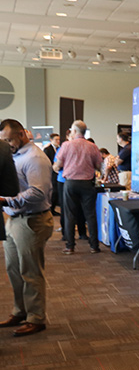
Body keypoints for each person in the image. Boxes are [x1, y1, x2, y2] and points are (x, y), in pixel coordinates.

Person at [0, 118, 54, 336]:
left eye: (9, 139)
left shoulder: (35, 158)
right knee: (14, 270)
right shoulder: (13, 156)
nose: (6, 144)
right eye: (3, 141)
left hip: (32, 220)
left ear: (22, 134)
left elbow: (37, 193)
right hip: (14, 220)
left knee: (31, 272)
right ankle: (20, 311)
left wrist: (6, 200)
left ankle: (36, 318)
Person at [54, 120, 103, 254]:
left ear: (74, 131)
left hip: (70, 183)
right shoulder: (92, 146)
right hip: (87, 183)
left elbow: (58, 165)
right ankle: (94, 246)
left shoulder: (66, 145)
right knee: (90, 215)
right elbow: (99, 166)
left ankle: (70, 246)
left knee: (70, 215)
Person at [44, 133, 61, 215]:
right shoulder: (47, 149)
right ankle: (50, 209)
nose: (58, 141)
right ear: (51, 140)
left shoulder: (59, 149)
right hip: (51, 173)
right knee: (53, 192)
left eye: (59, 139)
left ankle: (53, 209)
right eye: (56, 139)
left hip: (58, 174)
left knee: (57, 192)